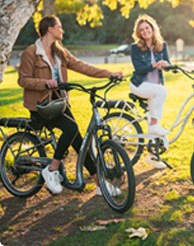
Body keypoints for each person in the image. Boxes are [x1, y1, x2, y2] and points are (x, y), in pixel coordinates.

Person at [18, 15, 124, 195]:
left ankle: (100, 185)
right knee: (71, 129)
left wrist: (109, 73)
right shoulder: (31, 52)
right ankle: (52, 169)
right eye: (59, 27)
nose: (62, 30)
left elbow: (82, 66)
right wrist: (45, 83)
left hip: (59, 103)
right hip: (41, 106)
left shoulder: (60, 52)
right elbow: (23, 80)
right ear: (50, 29)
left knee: (79, 142)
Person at [129, 14, 171, 169]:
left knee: (154, 120)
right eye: (142, 30)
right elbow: (138, 69)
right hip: (139, 85)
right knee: (161, 94)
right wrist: (154, 65)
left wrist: (166, 65)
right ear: (138, 33)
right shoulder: (135, 48)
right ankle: (154, 126)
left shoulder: (162, 45)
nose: (145, 31)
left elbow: (168, 63)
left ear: (153, 28)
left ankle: (152, 157)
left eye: (147, 28)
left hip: (154, 86)